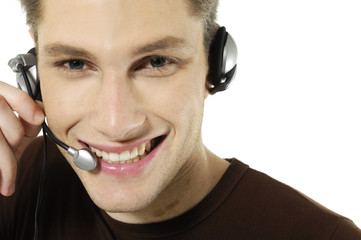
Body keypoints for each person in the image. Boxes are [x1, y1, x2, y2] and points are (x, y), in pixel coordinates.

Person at [0, 0, 360, 239]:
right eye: (75, 64)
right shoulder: (10, 185)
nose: (115, 122)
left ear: (216, 65)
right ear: (34, 75)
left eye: (156, 61)